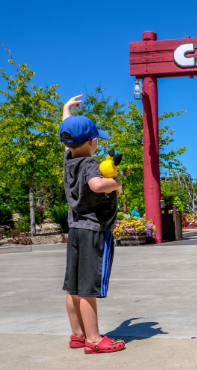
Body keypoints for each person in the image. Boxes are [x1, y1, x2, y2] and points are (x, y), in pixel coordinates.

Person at [60, 95, 125, 354]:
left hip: (75, 229)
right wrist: (117, 184)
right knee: (88, 288)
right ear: (93, 141)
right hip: (94, 231)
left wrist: (67, 111)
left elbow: (68, 135)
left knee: (73, 287)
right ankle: (94, 339)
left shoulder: (69, 158)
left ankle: (77, 334)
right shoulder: (89, 163)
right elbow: (97, 185)